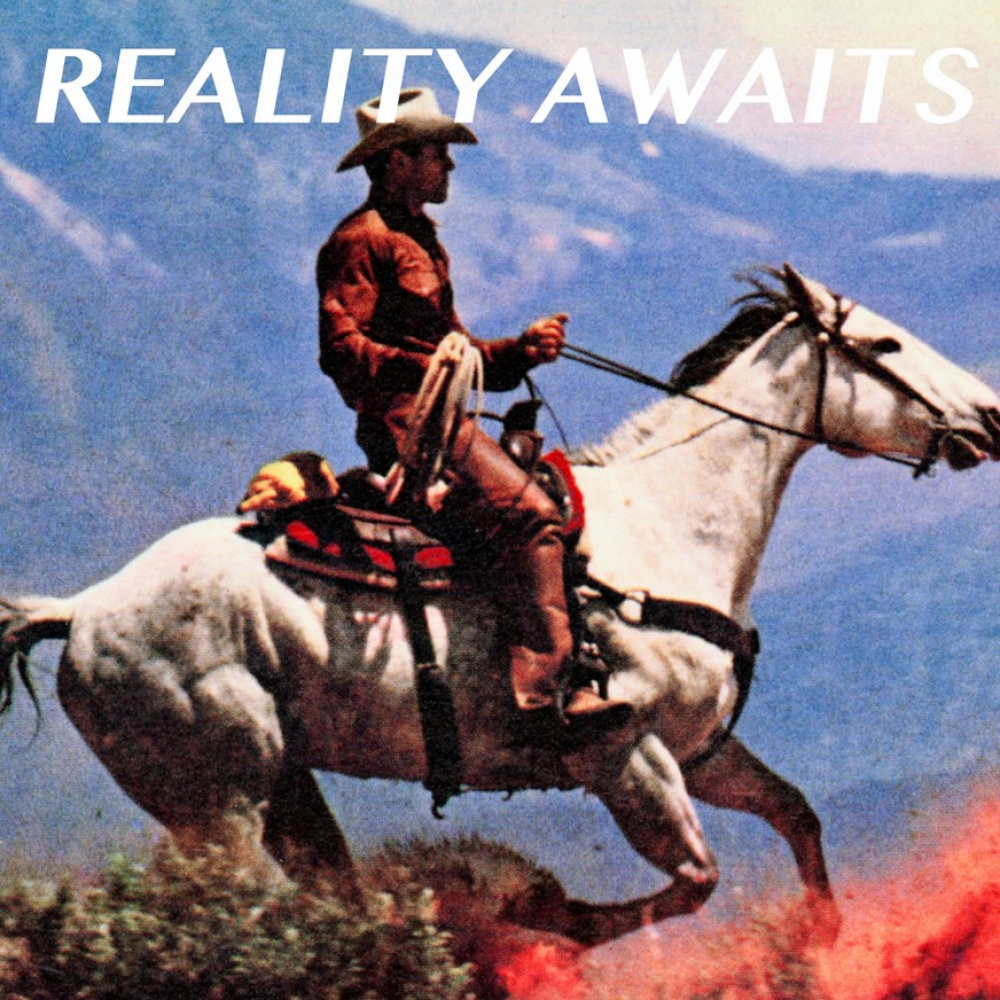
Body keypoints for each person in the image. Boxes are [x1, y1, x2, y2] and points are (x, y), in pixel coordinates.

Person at [316, 87, 631, 742]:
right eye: (437, 153)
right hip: (408, 429)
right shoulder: (360, 242)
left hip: (441, 420)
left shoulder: (421, 240)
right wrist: (428, 367)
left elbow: (458, 347)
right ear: (398, 161)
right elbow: (343, 352)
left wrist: (521, 350)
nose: (450, 165)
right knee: (531, 513)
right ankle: (545, 697)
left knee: (550, 495)